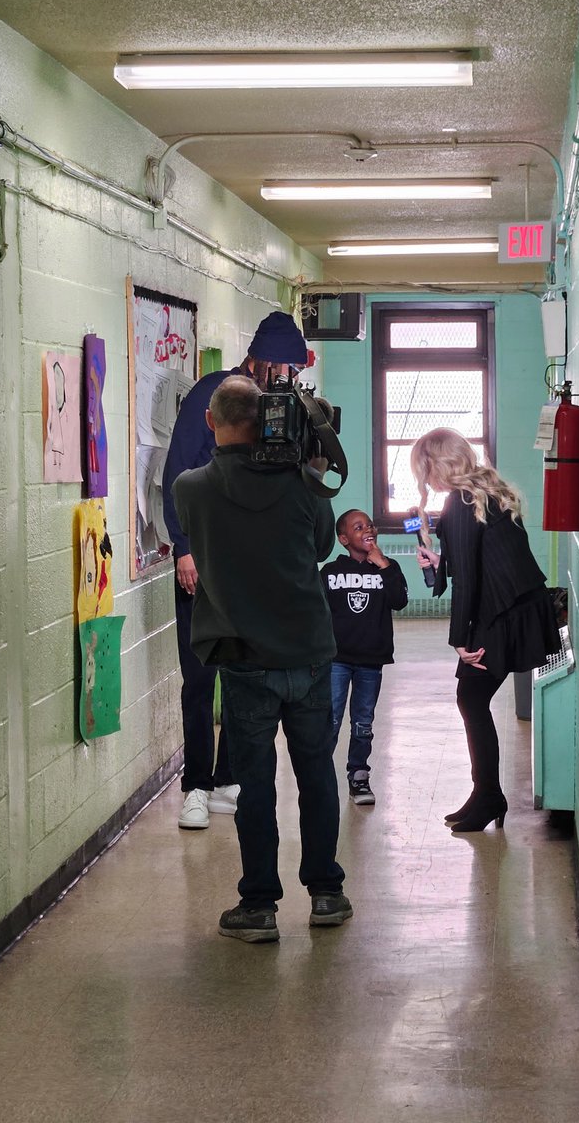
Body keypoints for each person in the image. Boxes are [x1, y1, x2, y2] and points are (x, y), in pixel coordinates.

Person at [172, 375, 352, 942]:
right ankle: (326, 893)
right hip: (308, 654)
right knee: (317, 773)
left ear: (210, 422)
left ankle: (259, 905)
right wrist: (309, 467)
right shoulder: (303, 485)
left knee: (256, 786)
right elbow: (322, 545)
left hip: (245, 661)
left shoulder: (190, 487)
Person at [162, 310, 309, 830]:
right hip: (202, 563)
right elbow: (177, 472)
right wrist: (183, 548)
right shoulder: (212, 397)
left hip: (249, 567)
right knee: (199, 678)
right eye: (281, 365)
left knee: (242, 675)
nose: (286, 375)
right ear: (258, 356)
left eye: (294, 368)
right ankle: (195, 786)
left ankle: (227, 780)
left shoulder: (281, 407)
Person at [411, 429, 561, 833]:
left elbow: (470, 584)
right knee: (472, 700)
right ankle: (485, 794)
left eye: (425, 470)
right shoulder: (484, 492)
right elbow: (477, 560)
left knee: (471, 699)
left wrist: (459, 639)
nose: (425, 480)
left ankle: (488, 795)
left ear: (436, 464)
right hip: (518, 605)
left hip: (503, 612)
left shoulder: (460, 502)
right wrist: (441, 559)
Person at [321, 510, 408, 805]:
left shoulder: (387, 569)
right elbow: (317, 615)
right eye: (359, 527)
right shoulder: (330, 573)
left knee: (363, 722)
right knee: (330, 718)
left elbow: (399, 600)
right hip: (336, 660)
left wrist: (383, 563)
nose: (368, 529)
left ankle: (359, 775)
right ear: (344, 539)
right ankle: (318, 777)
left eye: (370, 524)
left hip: (371, 660)